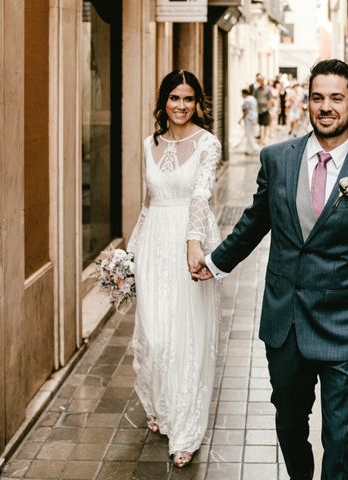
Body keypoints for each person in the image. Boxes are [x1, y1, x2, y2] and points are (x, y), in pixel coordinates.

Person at [192, 59, 348, 479]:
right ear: (308, 102)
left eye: (336, 98)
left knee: (342, 441)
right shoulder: (277, 160)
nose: (326, 106)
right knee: (289, 426)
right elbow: (254, 222)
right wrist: (215, 263)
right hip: (286, 325)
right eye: (318, 97)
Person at [126, 69, 221, 469]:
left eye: (188, 99)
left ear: (198, 102)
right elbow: (148, 201)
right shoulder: (149, 143)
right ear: (163, 101)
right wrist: (130, 253)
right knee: (156, 333)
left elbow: (201, 194)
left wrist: (194, 244)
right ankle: (162, 406)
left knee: (187, 336)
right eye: (174, 98)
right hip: (154, 244)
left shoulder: (208, 143)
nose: (181, 106)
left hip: (189, 241)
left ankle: (185, 429)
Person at [253, 74, 273, 146]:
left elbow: (270, 99)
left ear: (263, 81)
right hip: (258, 110)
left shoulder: (267, 89)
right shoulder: (256, 90)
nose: (259, 81)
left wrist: (268, 108)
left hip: (265, 109)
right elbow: (254, 99)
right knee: (261, 125)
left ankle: (263, 139)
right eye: (258, 80)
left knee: (264, 125)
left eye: (260, 80)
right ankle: (262, 139)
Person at [239, 88, 260, 155]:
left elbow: (246, 111)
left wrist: (241, 119)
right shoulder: (253, 99)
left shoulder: (247, 100)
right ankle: (248, 150)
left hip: (249, 119)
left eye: (242, 94)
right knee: (251, 134)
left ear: (244, 93)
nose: (241, 95)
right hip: (254, 118)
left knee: (249, 134)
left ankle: (255, 148)